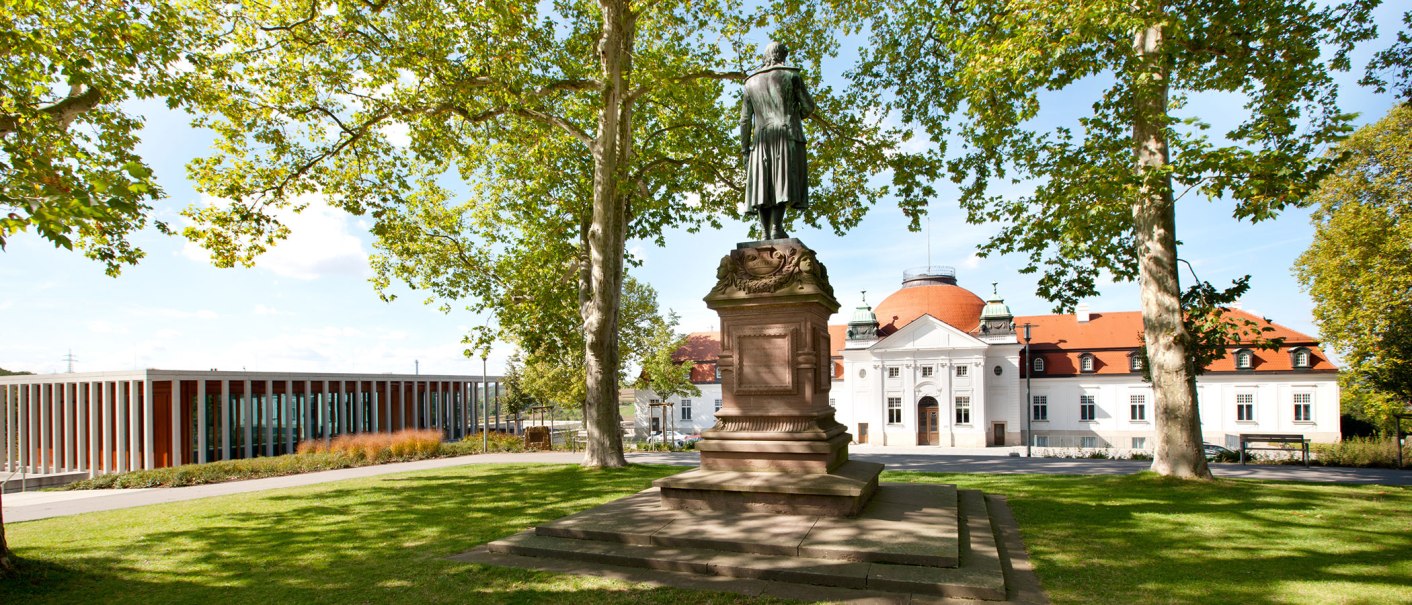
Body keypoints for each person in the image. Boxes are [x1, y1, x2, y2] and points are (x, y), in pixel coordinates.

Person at [740, 41, 815, 240]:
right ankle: (776, 228)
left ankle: (765, 232)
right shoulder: (792, 75)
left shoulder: (750, 82)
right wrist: (794, 112)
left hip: (761, 138)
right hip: (786, 132)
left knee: (763, 185)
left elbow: (745, 120)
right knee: (781, 181)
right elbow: (808, 106)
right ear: (781, 56)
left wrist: (745, 149)